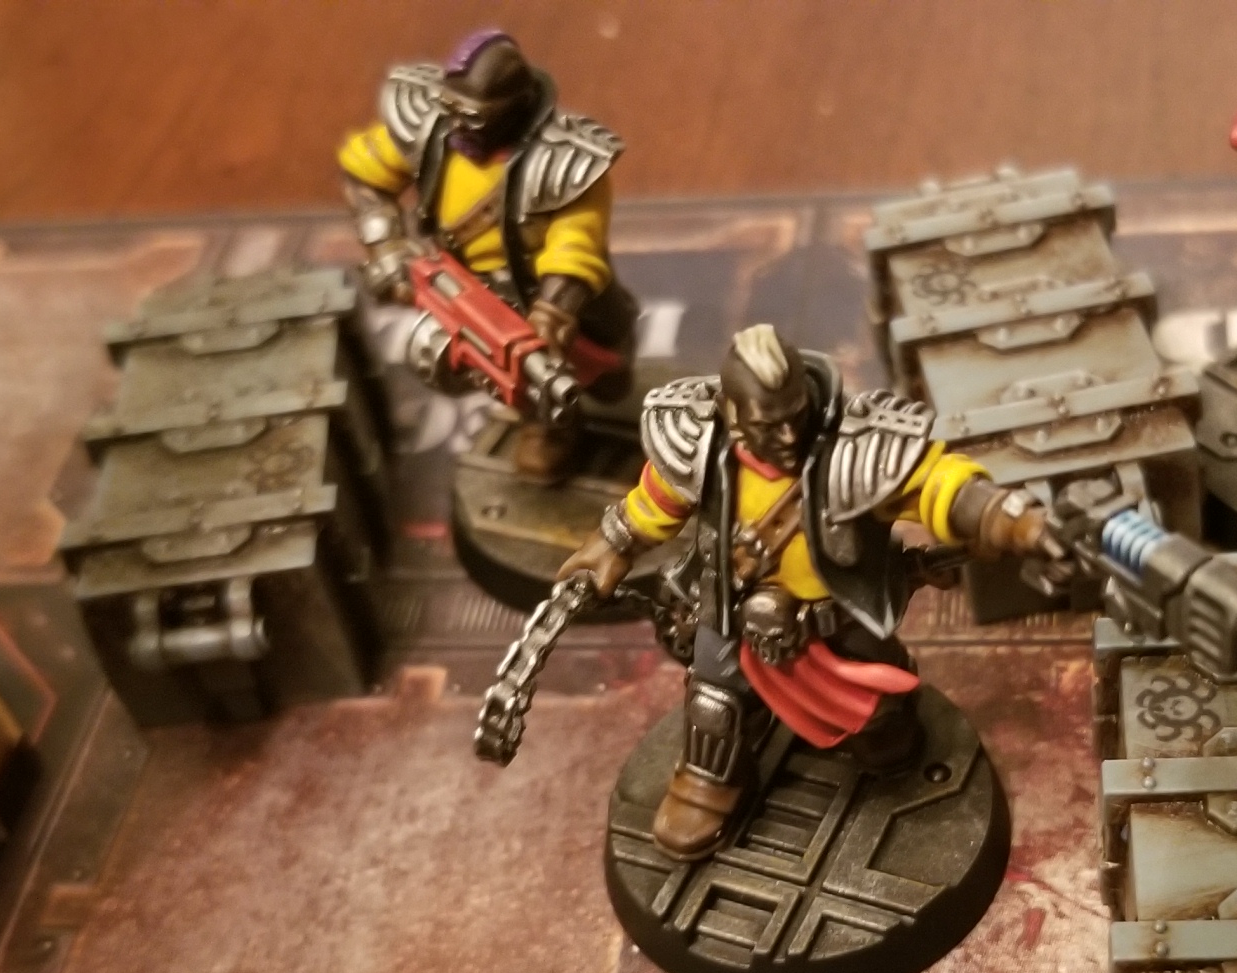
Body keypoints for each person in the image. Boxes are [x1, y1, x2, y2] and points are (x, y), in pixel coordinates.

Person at [558, 324, 1064, 860]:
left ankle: (882, 736)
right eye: (765, 425)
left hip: (836, 618)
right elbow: (657, 499)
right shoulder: (701, 443)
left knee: (882, 721)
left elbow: (935, 483)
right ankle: (708, 781)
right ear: (732, 414)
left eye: (793, 418)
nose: (783, 438)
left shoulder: (857, 449)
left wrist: (1006, 517)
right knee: (712, 697)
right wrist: (612, 543)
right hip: (732, 610)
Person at [337, 29, 637, 472]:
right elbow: (364, 174)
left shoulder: (565, 163)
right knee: (507, 375)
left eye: (473, 117)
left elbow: (575, 247)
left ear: (513, 108)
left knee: (606, 377)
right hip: (461, 283)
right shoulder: (428, 125)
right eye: (452, 109)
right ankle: (547, 426)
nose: (458, 125)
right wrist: (386, 246)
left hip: (547, 294)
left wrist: (552, 314)